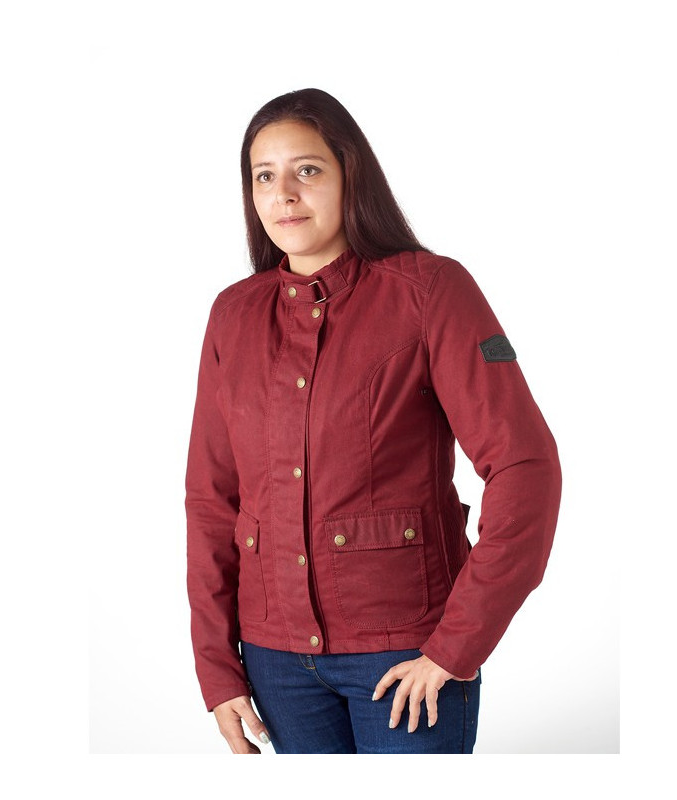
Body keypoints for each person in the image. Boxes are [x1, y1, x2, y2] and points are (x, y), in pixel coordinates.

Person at [184, 88, 561, 754]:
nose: (284, 194)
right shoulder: (232, 316)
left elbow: (525, 467)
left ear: (349, 174)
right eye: (264, 176)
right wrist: (217, 667)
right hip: (273, 661)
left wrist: (457, 646)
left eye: (307, 170)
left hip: (405, 656)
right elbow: (212, 500)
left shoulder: (430, 291)